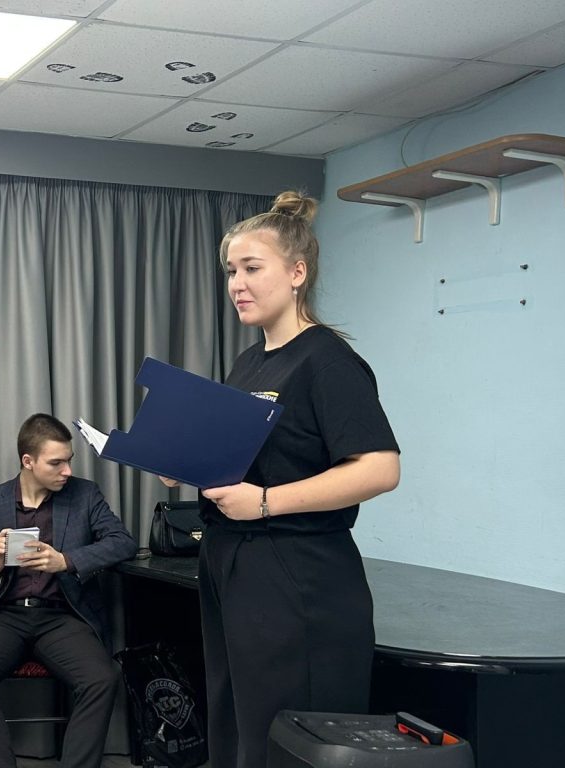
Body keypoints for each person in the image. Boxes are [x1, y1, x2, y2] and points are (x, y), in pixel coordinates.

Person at [163, 190, 401, 768]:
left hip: (297, 570)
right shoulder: (249, 363)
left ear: (297, 273)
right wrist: (186, 462)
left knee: (287, 736)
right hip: (230, 560)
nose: (236, 284)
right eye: (230, 271)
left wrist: (267, 501)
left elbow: (380, 468)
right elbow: (245, 458)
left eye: (252, 268)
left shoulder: (327, 361)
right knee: (237, 722)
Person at [0, 413, 138, 768]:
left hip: (62, 616)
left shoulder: (85, 495)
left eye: (69, 460)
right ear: (28, 461)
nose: (67, 470)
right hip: (3, 615)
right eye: (56, 463)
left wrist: (66, 561)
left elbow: (123, 543)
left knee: (101, 679)